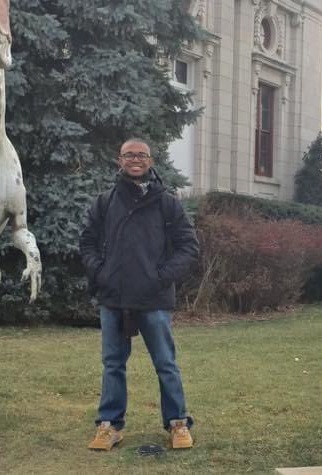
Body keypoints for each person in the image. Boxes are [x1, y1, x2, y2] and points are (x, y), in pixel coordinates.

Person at [80, 138, 199, 451]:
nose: (135, 159)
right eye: (129, 155)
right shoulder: (104, 202)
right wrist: (102, 274)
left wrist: (160, 278)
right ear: (119, 160)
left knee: (166, 363)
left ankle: (177, 424)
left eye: (141, 155)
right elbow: (87, 244)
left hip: (153, 299)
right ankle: (109, 426)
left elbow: (188, 246)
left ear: (150, 160)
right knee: (113, 364)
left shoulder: (166, 202)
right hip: (113, 298)